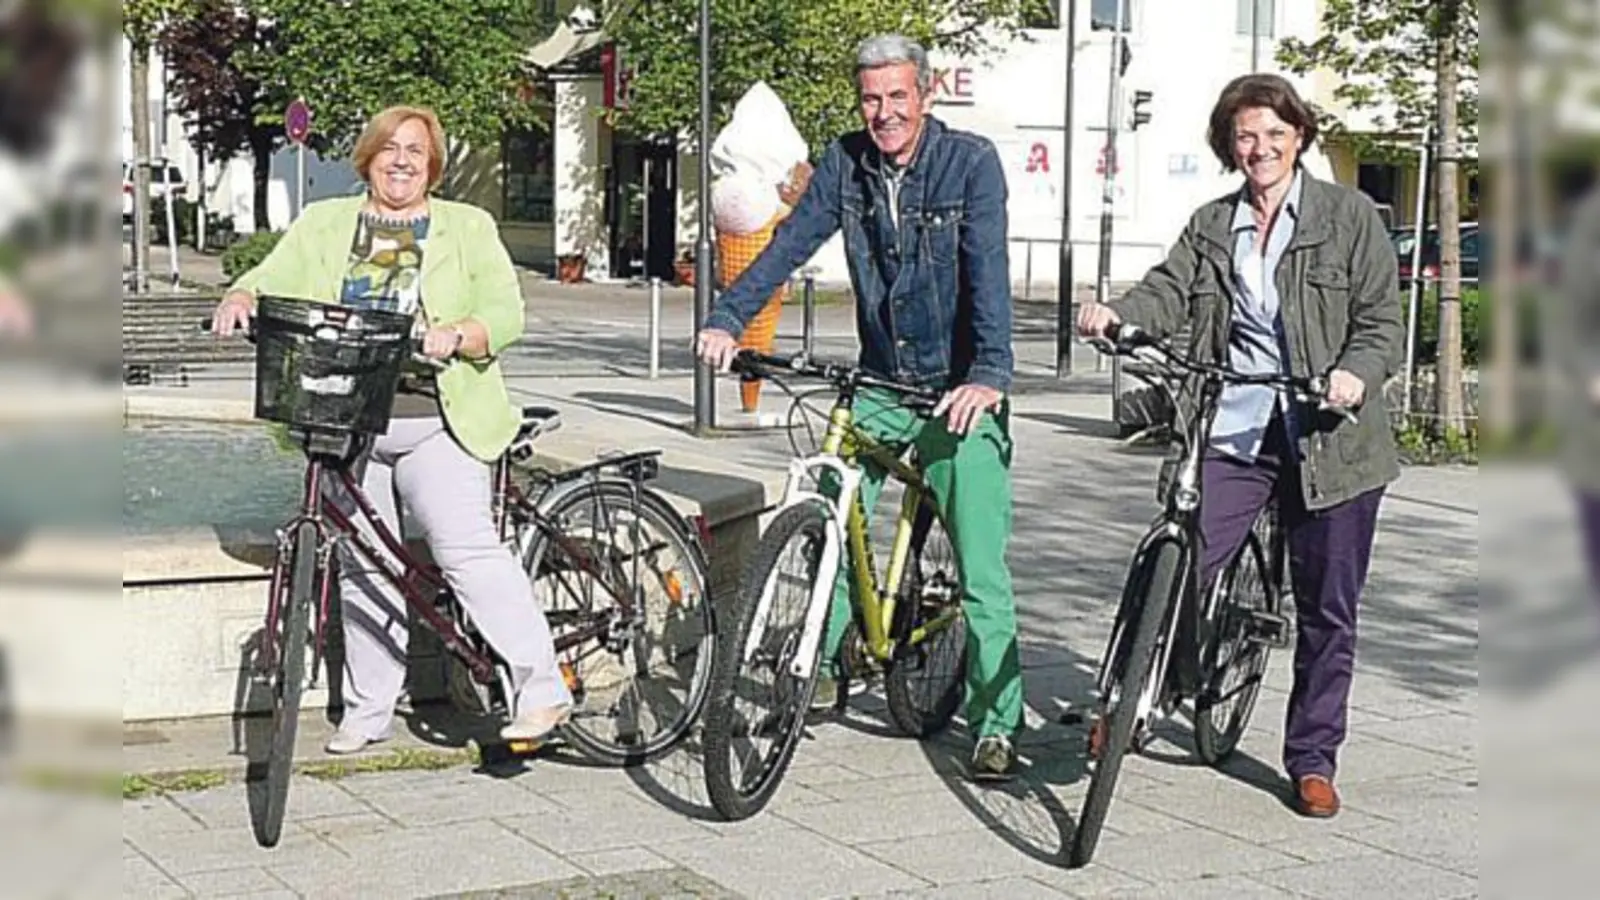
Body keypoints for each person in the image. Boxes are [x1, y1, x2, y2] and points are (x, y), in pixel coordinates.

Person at [695, 33, 1024, 781]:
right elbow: (784, 247)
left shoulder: (969, 164)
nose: (884, 113)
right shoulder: (846, 163)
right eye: (871, 99)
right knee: (827, 507)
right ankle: (813, 665)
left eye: (897, 97)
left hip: (957, 387)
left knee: (980, 567)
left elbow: (989, 270)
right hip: (880, 383)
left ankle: (997, 724)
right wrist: (727, 318)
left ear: (926, 94)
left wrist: (991, 374)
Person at [1077, 73, 1405, 818]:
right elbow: (1168, 290)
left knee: (1328, 609)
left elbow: (1381, 322)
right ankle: (1130, 699)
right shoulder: (1212, 223)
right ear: (1230, 144)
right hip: (1236, 423)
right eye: (1245, 136)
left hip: (1331, 435)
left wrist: (1354, 374)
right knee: (1180, 551)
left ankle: (1313, 759)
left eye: (1273, 134)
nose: (1259, 148)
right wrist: (1118, 314)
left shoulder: (1348, 216)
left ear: (1300, 139)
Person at [211, 105, 572, 754]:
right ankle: (369, 710)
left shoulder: (467, 226)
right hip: (349, 420)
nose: (402, 159)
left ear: (432, 165)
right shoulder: (326, 223)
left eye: (416, 150)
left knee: (464, 549)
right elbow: (276, 275)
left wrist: (461, 334)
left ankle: (540, 689)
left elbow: (505, 309)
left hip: (437, 417)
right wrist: (242, 296)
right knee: (363, 565)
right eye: (389, 148)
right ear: (368, 158)